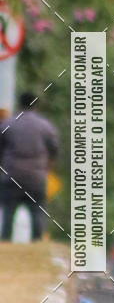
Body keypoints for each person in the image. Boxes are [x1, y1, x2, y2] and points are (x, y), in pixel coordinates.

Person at [0, 92, 59, 240]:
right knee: (37, 214)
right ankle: (37, 245)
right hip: (36, 178)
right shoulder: (46, 126)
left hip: (11, 176)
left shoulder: (8, 124)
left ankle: (5, 247)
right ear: (36, 105)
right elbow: (54, 149)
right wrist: (48, 168)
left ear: (19, 103)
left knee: (8, 215)